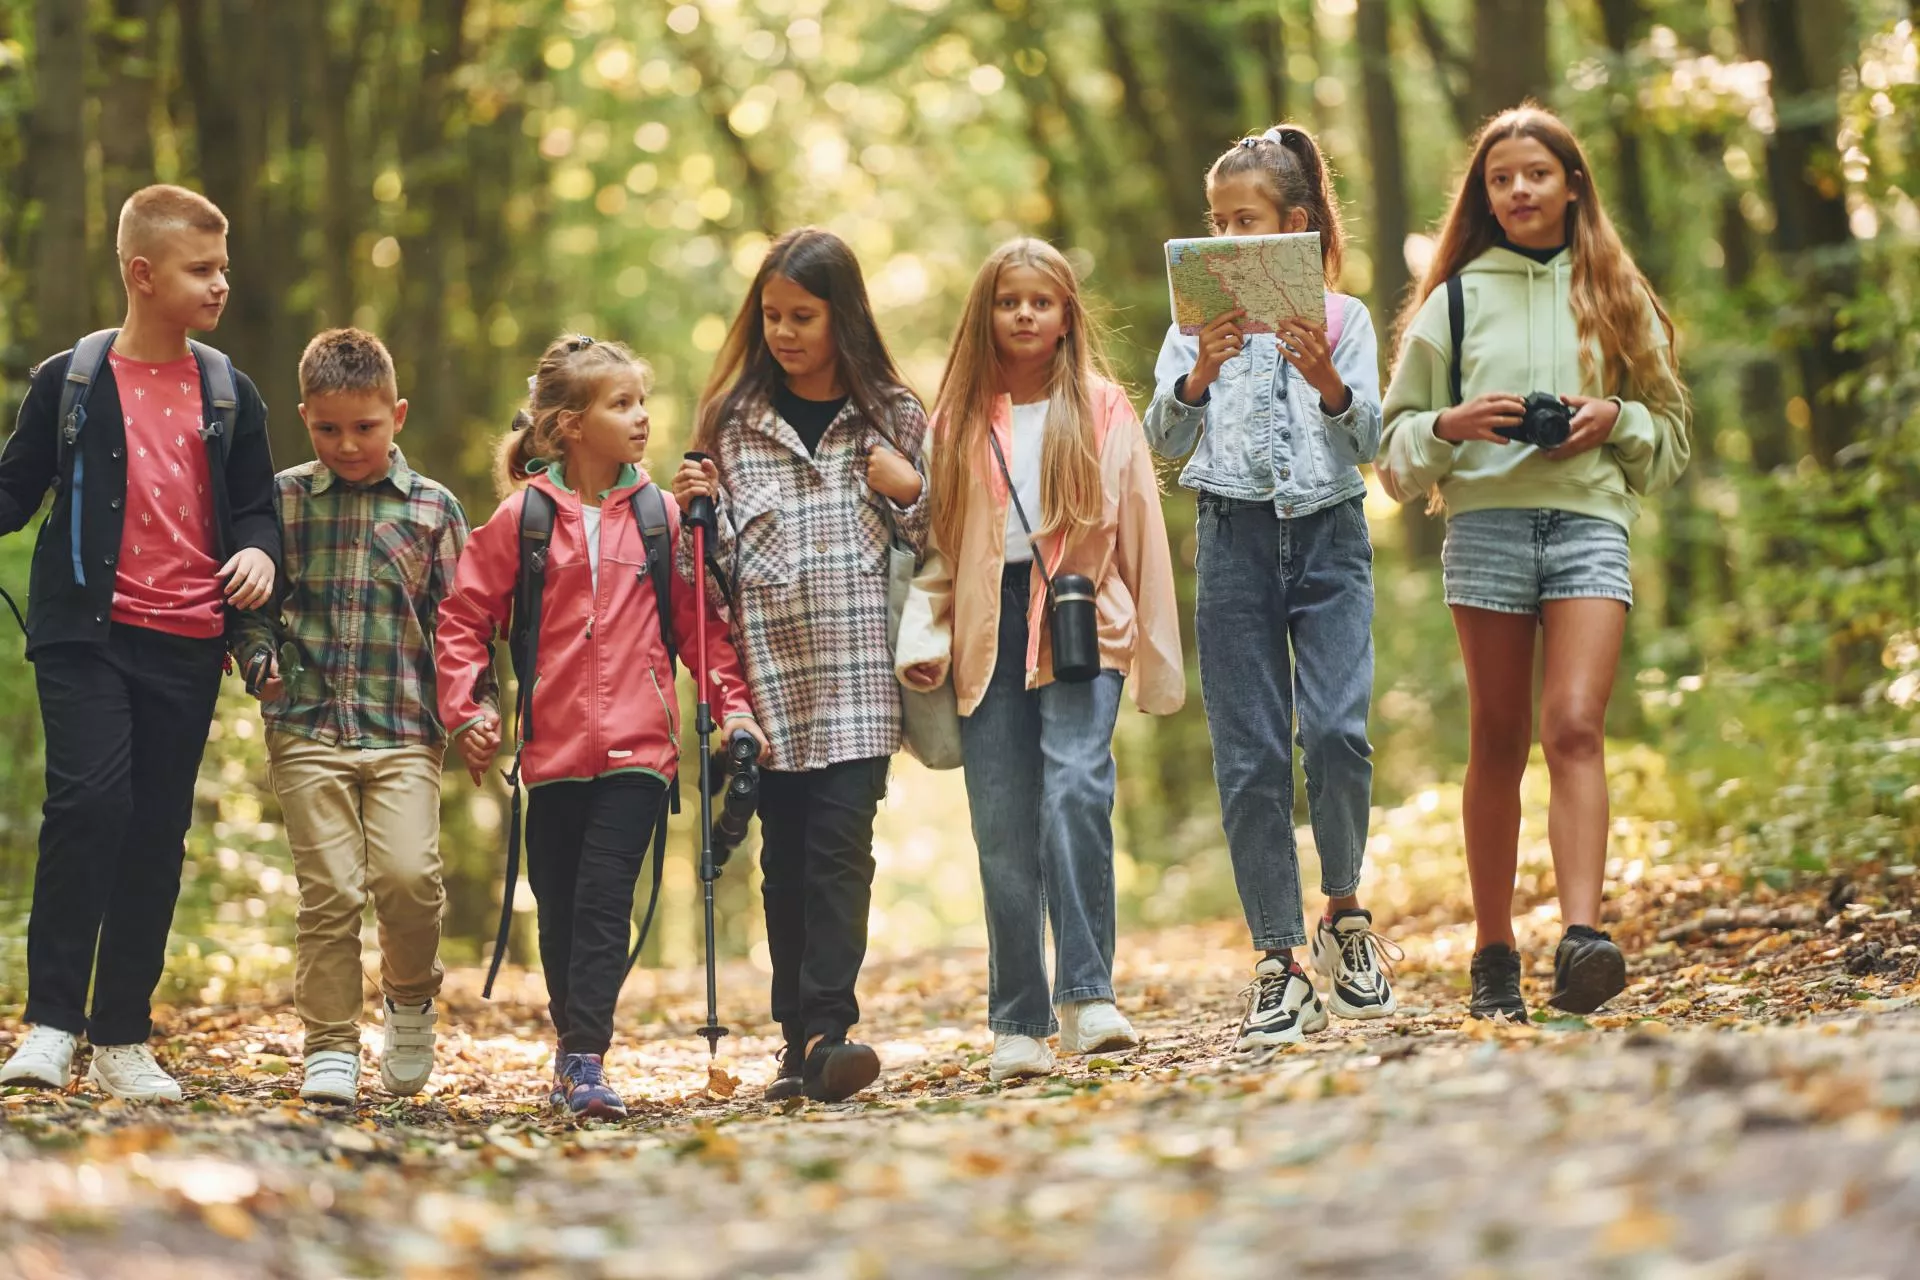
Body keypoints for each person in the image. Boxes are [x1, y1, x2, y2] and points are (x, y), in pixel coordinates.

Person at [1378, 103, 1690, 1020]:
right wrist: (1453, 423)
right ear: (1484, 194)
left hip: (1591, 522)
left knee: (1576, 725)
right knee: (1498, 740)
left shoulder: (1619, 293)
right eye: (1500, 178)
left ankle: (1583, 940)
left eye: (1536, 174)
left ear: (1572, 184)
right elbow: (1394, 458)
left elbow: (1669, 442)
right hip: (1488, 528)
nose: (1518, 190)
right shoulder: (1456, 298)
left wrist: (1615, 418)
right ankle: (1493, 953)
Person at [436, 335, 763, 1119]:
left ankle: (587, 1058)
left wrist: (732, 708)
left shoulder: (660, 517)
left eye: (641, 401)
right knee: (557, 904)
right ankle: (571, 1046)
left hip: (638, 753)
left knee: (604, 899)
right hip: (551, 756)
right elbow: (462, 617)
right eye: (621, 404)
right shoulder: (522, 519)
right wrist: (467, 708)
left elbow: (699, 630)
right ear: (570, 426)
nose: (642, 417)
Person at [0, 185, 279, 1100]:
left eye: (223, 268)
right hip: (85, 632)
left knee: (156, 832)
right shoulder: (70, 381)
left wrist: (255, 554)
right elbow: (15, 490)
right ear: (142, 274)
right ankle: (48, 1026)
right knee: (88, 806)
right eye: (202, 271)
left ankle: (122, 1036)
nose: (220, 285)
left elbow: (255, 509)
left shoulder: (229, 391)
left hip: (188, 642)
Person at [896, 238, 1183, 1082]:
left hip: (1080, 617)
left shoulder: (1101, 408)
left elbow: (1141, 529)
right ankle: (1017, 1020)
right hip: (987, 624)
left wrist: (1156, 655)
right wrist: (929, 639)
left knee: (1077, 789)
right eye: (1008, 300)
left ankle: (1090, 996)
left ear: (1066, 318)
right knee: (1002, 823)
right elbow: (942, 547)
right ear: (985, 314)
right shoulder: (955, 420)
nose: (1024, 313)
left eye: (1041, 301)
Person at [1142, 126, 1393, 1050]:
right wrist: (1201, 372)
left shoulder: (1346, 320)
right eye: (1214, 224)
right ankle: (1279, 962)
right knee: (1250, 757)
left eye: (1243, 221)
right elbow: (1165, 441)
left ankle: (1346, 918)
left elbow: (1369, 443)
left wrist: (1324, 377)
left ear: (1291, 227)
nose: (1226, 238)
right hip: (1232, 540)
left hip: (1330, 536)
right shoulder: (1188, 332)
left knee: (1336, 731)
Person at [672, 228, 928, 1103]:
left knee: (839, 852)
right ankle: (801, 1042)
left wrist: (911, 492)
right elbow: (706, 577)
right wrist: (691, 516)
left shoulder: (893, 414)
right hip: (770, 685)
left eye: (804, 317)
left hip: (860, 678)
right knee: (783, 860)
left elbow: (944, 544)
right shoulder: (730, 425)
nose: (784, 333)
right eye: (772, 316)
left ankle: (830, 1027)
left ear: (842, 317)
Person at [234, 328, 471, 1105]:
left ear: (396, 414)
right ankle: (329, 1045)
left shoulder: (435, 509)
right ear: (305, 417)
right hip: (305, 725)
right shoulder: (283, 498)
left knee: (408, 879)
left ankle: (408, 999)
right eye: (328, 428)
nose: (346, 444)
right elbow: (256, 609)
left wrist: (474, 713)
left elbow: (462, 626)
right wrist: (257, 655)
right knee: (329, 891)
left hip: (404, 728)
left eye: (364, 427)